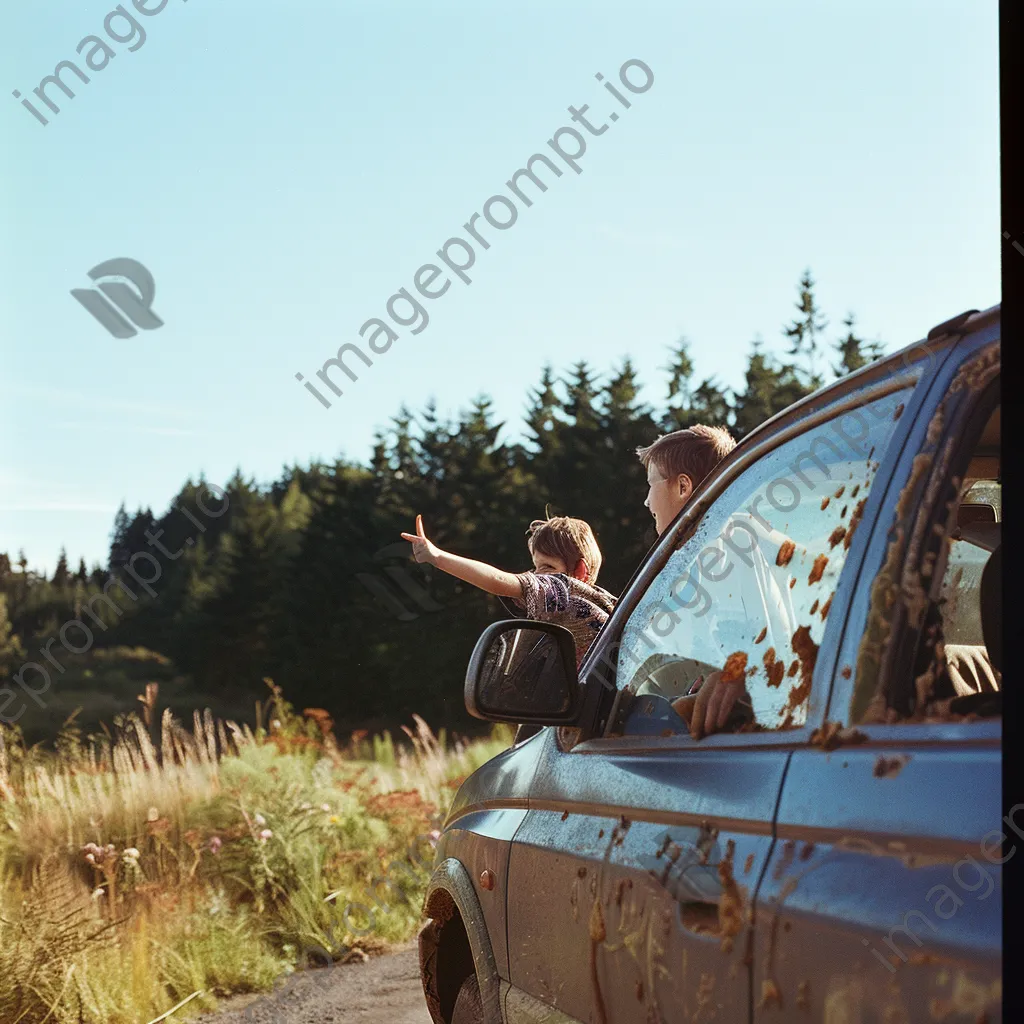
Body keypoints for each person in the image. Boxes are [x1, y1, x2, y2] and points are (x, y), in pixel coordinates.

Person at [635, 424, 753, 739]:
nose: (646, 502)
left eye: (651, 484)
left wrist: (738, 676)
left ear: (683, 487)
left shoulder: (732, 556)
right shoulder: (699, 566)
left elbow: (776, 645)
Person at [400, 513, 616, 667]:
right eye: (536, 566)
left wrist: (436, 557)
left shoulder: (562, 589)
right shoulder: (608, 602)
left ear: (580, 570)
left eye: (548, 566)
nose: (538, 575)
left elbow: (497, 580)